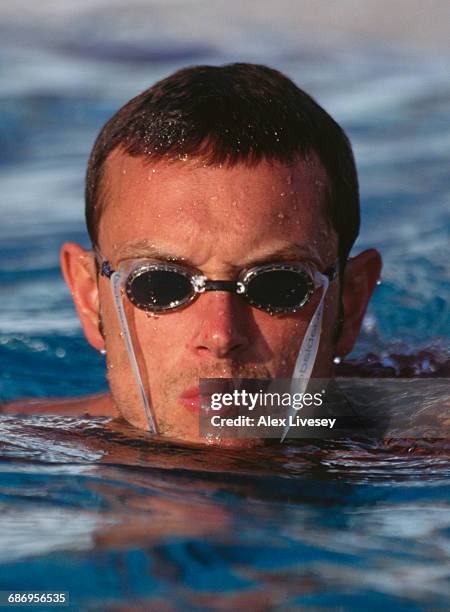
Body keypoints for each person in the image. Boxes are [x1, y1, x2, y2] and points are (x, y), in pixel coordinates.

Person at [6, 63, 382, 445]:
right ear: (90, 299)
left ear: (350, 302)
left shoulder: (421, 442)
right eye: (160, 282)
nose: (220, 336)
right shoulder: (17, 441)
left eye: (278, 284)